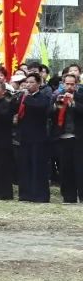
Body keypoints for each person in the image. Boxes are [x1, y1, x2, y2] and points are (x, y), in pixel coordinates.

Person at [15, 72, 52, 203]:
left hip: (38, 138)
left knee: (38, 166)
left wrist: (26, 97)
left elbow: (40, 107)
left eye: (31, 82)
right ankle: (25, 194)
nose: (28, 85)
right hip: (24, 137)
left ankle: (40, 195)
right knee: (25, 166)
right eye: (27, 82)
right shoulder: (22, 97)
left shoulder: (43, 97)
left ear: (38, 84)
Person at [51, 73, 82, 203]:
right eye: (67, 84)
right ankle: (68, 197)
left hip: (78, 138)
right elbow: (49, 114)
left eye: (72, 84)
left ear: (76, 84)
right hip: (62, 138)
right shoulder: (57, 96)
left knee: (79, 168)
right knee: (65, 168)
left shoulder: (80, 96)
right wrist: (55, 106)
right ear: (63, 84)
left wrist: (73, 102)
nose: (69, 87)